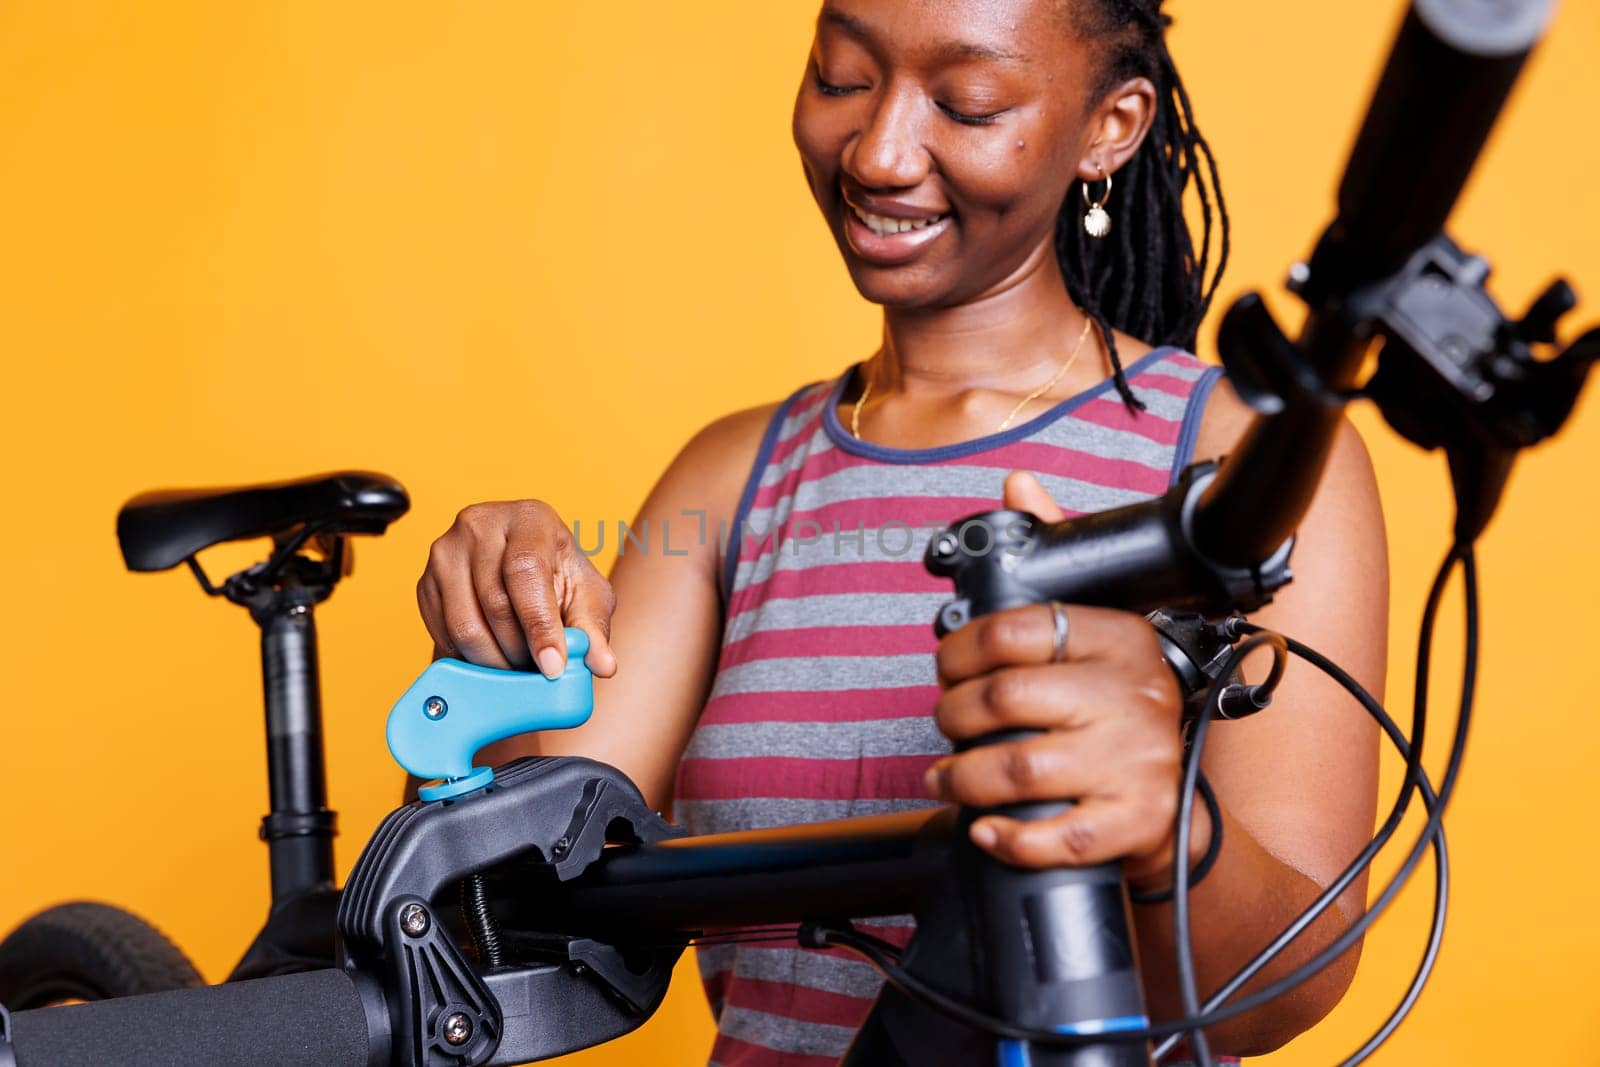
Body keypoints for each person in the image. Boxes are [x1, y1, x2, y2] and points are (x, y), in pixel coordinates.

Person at [414, 0, 1387, 1061]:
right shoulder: (734, 474)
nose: (877, 153)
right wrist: (499, 629)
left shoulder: (1249, 471)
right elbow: (516, 898)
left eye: (966, 104)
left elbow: (1291, 979)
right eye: (840, 77)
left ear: (1112, 123)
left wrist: (1161, 828)